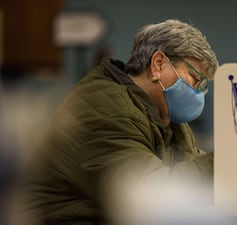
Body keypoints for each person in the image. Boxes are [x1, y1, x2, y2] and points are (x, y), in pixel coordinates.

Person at [14, 19, 218, 225]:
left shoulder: (168, 119)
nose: (200, 91)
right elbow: (150, 200)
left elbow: (190, 176)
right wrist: (229, 166)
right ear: (158, 65)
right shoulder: (108, 110)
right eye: (195, 78)